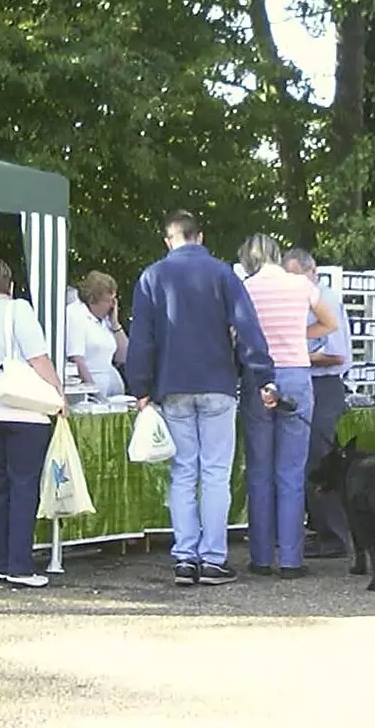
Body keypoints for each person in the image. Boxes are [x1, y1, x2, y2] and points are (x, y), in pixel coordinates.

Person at [127, 210, 274, 587]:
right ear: (200, 236)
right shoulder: (223, 274)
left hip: (171, 386)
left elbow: (142, 338)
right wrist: (263, 376)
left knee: (183, 472)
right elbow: (247, 326)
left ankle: (184, 557)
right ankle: (212, 558)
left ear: (168, 240)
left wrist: (141, 388)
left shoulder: (151, 276)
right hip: (218, 384)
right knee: (214, 474)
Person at [0, 258, 66, 588]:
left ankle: (2, 560)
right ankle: (20, 565)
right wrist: (59, 396)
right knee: (23, 485)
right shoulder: (20, 310)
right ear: (10, 283)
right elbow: (38, 358)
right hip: (22, 409)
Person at [238, 234, 339, 578]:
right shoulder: (300, 285)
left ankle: (262, 558)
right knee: (291, 471)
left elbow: (235, 333)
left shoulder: (245, 287)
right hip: (296, 374)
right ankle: (292, 560)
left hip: (258, 375)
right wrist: (300, 334)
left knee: (260, 470)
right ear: (277, 255)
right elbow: (331, 323)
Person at [282, 247, 353, 559]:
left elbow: (337, 355)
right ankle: (320, 529)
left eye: (296, 276)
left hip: (324, 384)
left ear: (313, 272)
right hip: (309, 382)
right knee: (305, 457)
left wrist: (295, 354)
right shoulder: (301, 300)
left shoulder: (325, 300)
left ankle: (334, 536)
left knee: (318, 459)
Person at [65, 270, 128, 398]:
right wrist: (95, 393)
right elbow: (77, 359)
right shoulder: (76, 314)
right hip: (87, 391)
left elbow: (123, 357)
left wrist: (115, 324)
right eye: (108, 301)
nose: (112, 306)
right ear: (93, 299)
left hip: (110, 385)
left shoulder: (105, 319)